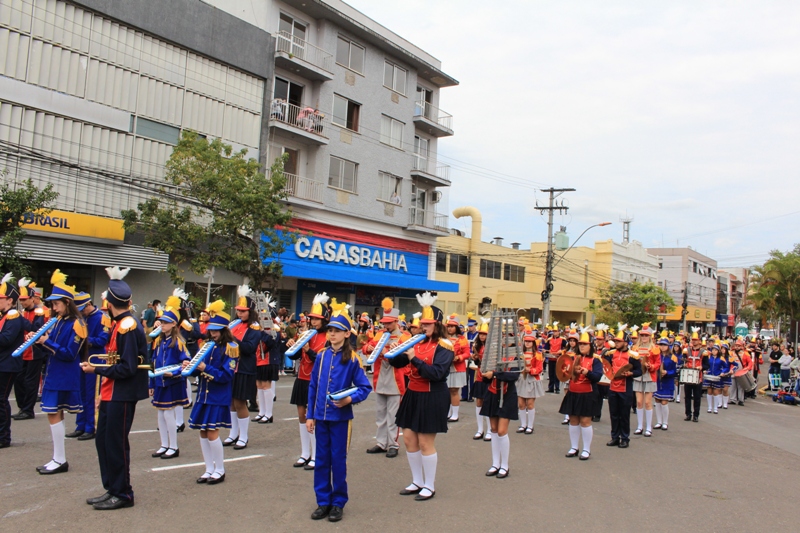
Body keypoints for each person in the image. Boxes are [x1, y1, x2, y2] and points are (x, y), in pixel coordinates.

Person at [80, 266, 149, 510]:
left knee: (116, 444)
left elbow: (127, 368)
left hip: (122, 393)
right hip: (112, 391)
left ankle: (123, 493)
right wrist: (102, 391)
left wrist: (95, 369)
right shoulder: (120, 323)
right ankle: (111, 488)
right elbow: (114, 360)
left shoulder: (127, 326)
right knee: (103, 442)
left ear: (109, 303)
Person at [307, 301, 372, 522]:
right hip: (321, 416)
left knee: (338, 461)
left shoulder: (353, 358)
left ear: (346, 334)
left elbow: (364, 388)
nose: (332, 334)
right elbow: (313, 386)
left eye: (337, 330)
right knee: (321, 460)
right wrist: (310, 415)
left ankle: (338, 502)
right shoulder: (321, 355)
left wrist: (349, 399)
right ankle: (323, 501)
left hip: (341, 418)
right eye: (330, 330)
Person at [389, 292, 453, 501]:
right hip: (413, 394)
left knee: (425, 443)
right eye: (422, 324)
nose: (423, 327)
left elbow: (437, 373)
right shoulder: (416, 342)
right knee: (409, 439)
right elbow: (400, 363)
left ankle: (429, 485)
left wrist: (414, 359)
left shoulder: (445, 346)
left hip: (432, 396)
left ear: (437, 324)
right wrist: (394, 354)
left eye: (427, 324)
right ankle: (417, 481)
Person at [34, 270, 87, 474]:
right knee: (54, 413)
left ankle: (60, 459)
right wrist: (38, 341)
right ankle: (58, 458)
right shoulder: (58, 321)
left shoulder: (77, 324)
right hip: (54, 373)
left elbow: (69, 354)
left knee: (53, 413)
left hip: (64, 374)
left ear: (67, 302)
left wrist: (47, 342)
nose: (54, 308)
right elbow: (52, 349)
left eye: (56, 304)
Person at [186, 299, 237, 485]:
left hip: (217, 395)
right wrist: (189, 366)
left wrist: (205, 368)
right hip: (203, 394)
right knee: (202, 432)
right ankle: (209, 468)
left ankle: (220, 469)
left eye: (216, 330)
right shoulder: (206, 346)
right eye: (211, 330)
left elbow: (226, 375)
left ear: (224, 330)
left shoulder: (231, 348)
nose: (212, 333)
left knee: (212, 433)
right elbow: (197, 369)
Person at [363, 298, 410, 458]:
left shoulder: (404, 337)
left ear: (396, 321)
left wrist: (387, 352)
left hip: (395, 380)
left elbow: (405, 358)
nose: (386, 326)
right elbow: (366, 346)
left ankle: (393, 444)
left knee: (393, 415)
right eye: (384, 323)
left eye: (389, 323)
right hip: (380, 378)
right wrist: (369, 348)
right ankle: (381, 443)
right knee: (380, 414)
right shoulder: (380, 334)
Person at [287, 293, 330, 470]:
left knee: (314, 417)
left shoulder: (329, 337)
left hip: (317, 380)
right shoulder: (306, 334)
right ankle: (305, 453)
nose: (313, 321)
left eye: (317, 319)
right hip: (302, 378)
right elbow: (295, 356)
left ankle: (316, 455)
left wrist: (308, 350)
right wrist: (292, 345)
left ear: (325, 319)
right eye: (312, 318)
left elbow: (323, 360)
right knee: (302, 415)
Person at [149, 305, 191, 459]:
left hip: (172, 382)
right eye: (161, 322)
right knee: (161, 414)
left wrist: (173, 373)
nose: (162, 325)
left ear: (174, 324)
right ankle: (164, 444)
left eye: (166, 322)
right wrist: (151, 383)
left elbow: (186, 363)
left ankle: (173, 446)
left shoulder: (178, 342)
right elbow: (153, 363)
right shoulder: (159, 341)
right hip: (160, 382)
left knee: (168, 413)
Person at [481, 324, 521, 478]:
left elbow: (513, 376)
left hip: (507, 395)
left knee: (502, 431)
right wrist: (485, 374)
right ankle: (495, 463)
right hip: (492, 393)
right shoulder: (493, 355)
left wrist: (495, 374)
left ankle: (505, 465)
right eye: (503, 336)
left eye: (508, 337)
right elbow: (486, 375)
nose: (505, 339)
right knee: (493, 429)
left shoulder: (517, 357)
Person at [224, 285, 261, 450]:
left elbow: (249, 348)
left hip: (245, 369)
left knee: (240, 402)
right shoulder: (234, 324)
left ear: (250, 312)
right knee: (231, 402)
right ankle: (233, 433)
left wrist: (233, 338)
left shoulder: (254, 328)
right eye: (238, 311)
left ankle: (243, 436)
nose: (240, 314)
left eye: (243, 311)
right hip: (231, 368)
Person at [69, 292, 110, 441]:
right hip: (82, 359)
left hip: (95, 360)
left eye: (82, 309)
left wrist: (85, 340)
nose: (80, 312)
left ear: (88, 304)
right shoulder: (81, 318)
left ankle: (90, 427)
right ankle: (80, 425)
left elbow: (102, 340)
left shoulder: (102, 318)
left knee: (91, 395)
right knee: (80, 393)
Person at [560, 328, 602, 460]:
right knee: (573, 420)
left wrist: (586, 372)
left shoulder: (595, 360)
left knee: (585, 421)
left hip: (587, 393)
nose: (582, 346)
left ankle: (586, 449)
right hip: (573, 392)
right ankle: (574, 447)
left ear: (590, 345)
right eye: (580, 344)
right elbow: (564, 373)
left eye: (585, 344)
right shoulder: (572, 358)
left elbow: (597, 377)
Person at [12, 278, 48, 421]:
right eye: (21, 300)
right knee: (18, 381)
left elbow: (35, 329)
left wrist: (21, 320)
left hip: (34, 352)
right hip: (22, 351)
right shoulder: (22, 312)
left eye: (25, 300)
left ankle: (28, 410)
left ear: (32, 299)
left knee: (30, 382)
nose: (22, 302)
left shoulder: (39, 312)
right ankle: (22, 407)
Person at [605, 325, 642, 448]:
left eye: (618, 341)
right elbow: (605, 366)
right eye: (615, 341)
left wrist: (631, 373)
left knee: (624, 415)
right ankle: (615, 437)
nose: (616, 343)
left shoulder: (633, 356)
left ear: (625, 343)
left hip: (625, 388)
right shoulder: (610, 354)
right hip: (612, 387)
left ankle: (625, 438)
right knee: (614, 414)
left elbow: (640, 370)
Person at [0, 273, 25, 449]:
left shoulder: (13, 316)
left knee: (1, 400)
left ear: (10, 301)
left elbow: (6, 339)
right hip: (2, 363)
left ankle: (4, 437)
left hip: (7, 365)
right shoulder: (4, 316)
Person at [632, 323, 660, 437]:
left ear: (650, 336)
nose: (644, 337)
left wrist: (651, 366)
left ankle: (648, 427)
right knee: (639, 402)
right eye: (642, 335)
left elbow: (658, 363)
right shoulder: (635, 348)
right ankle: (640, 426)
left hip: (649, 376)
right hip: (638, 376)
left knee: (648, 402)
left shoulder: (655, 349)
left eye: (646, 335)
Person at [516, 326, 544, 434]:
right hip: (521, 379)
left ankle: (530, 426)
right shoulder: (520, 354)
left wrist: (530, 370)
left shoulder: (538, 354)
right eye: (526, 341)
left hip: (532, 379)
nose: (527, 343)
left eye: (529, 341)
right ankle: (523, 424)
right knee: (521, 404)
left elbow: (539, 368)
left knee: (530, 404)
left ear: (533, 343)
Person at [444, 314, 469, 422]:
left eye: (452, 326)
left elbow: (467, 353)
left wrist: (459, 357)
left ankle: (455, 414)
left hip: (457, 368)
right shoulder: (443, 339)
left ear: (457, 327)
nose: (450, 328)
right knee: (446, 390)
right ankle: (448, 412)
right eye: (448, 326)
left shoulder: (462, 339)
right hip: (445, 368)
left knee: (454, 390)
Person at [470, 320, 491, 441]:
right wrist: (475, 358)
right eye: (481, 334)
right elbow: (478, 363)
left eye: (484, 334)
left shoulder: (492, 347)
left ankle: (489, 430)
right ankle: (480, 429)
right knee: (479, 402)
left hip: (488, 376)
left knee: (487, 402)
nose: (482, 336)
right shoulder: (477, 346)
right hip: (479, 376)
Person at [682, 328, 709, 422]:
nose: (694, 342)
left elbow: (707, 365)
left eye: (695, 340)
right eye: (692, 340)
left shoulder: (703, 352)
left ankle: (696, 415)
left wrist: (701, 367)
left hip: (698, 377)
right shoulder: (686, 350)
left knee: (697, 397)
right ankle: (688, 414)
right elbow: (683, 360)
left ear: (699, 341)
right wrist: (684, 364)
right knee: (687, 397)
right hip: (688, 376)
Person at [653, 332, 678, 430]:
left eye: (664, 345)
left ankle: (665, 422)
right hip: (657, 381)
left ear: (668, 346)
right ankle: (659, 421)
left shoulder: (672, 357)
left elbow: (674, 371)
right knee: (657, 400)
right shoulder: (656, 355)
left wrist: (667, 372)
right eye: (661, 345)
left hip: (667, 381)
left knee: (664, 401)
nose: (662, 347)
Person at [592, 324, 610, 421]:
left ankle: (597, 414)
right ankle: (591, 413)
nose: (598, 341)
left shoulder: (607, 351)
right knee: (592, 395)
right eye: (597, 339)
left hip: (603, 375)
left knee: (599, 396)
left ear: (603, 340)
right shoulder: (592, 349)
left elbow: (608, 363)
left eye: (600, 339)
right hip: (593, 373)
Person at [462, 313, 478, 402]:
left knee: (472, 377)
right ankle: (464, 395)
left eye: (471, 326)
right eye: (469, 326)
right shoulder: (465, 334)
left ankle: (470, 396)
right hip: (466, 356)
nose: (470, 327)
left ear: (475, 325)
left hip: (473, 357)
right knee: (464, 377)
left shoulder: (478, 334)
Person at [546, 323, 563, 393]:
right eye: (554, 331)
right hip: (551, 358)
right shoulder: (549, 339)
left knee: (557, 374)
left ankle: (557, 388)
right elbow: (546, 348)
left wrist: (561, 351)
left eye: (556, 331)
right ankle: (551, 388)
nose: (555, 332)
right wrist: (546, 351)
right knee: (551, 374)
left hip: (558, 359)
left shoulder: (562, 339)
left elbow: (565, 348)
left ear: (559, 332)